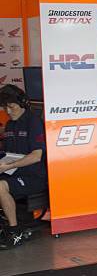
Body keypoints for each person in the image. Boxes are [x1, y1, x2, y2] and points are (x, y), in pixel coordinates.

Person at [0, 85, 47, 250]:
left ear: (22, 104)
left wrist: (6, 167)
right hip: (14, 171)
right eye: (5, 107)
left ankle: (15, 232)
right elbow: (5, 153)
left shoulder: (33, 122)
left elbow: (36, 156)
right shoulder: (10, 125)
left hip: (34, 176)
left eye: (11, 107)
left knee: (0, 186)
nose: (8, 111)